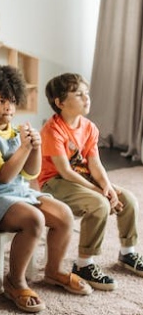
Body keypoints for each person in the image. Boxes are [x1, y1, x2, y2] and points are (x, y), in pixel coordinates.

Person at [0, 65, 92, 313]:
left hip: (18, 192)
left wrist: (36, 146)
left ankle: (54, 271)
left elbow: (30, 173)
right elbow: (3, 177)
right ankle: (15, 281)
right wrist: (24, 147)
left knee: (63, 214)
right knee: (33, 219)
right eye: (1, 101)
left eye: (11, 100)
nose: (8, 107)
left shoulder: (14, 131)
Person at [39, 72, 143, 289]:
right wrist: (98, 192)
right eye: (78, 94)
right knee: (99, 204)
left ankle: (127, 253)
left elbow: (95, 164)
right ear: (60, 102)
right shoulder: (52, 130)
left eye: (86, 93)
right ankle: (84, 264)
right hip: (55, 182)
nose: (86, 98)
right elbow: (65, 171)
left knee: (129, 200)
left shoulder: (89, 127)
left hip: (82, 178)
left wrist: (107, 187)